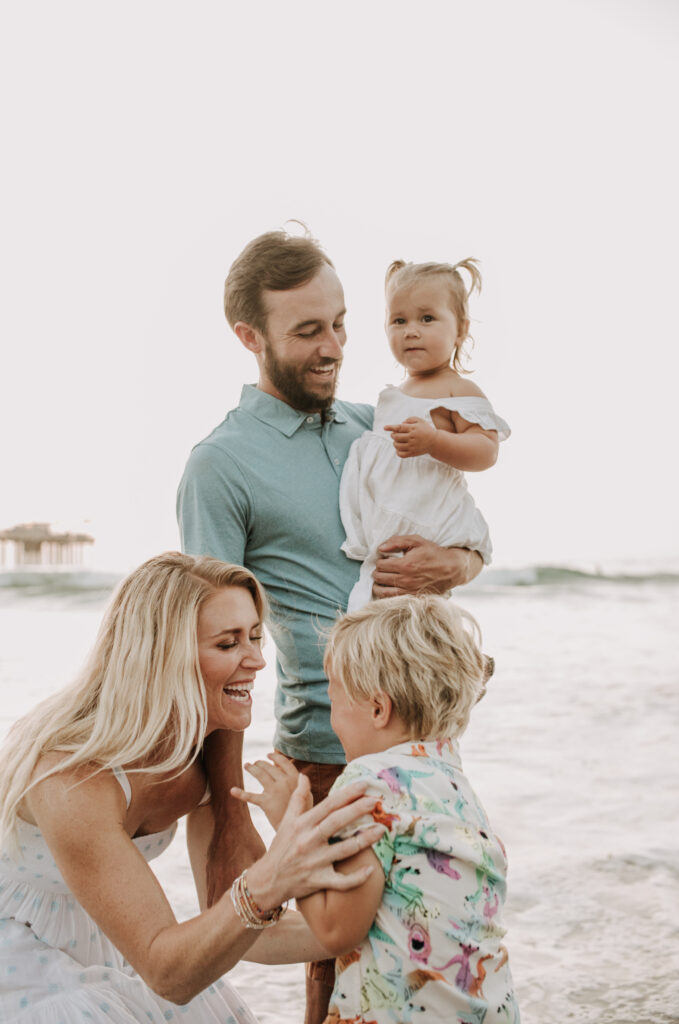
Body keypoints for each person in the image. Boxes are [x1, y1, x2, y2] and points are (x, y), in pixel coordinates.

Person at [176, 227, 484, 1024]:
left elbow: (464, 527)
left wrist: (457, 567)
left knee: (435, 963)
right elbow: (209, 653)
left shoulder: (380, 427)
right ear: (249, 337)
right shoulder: (221, 465)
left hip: (428, 741)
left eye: (341, 323)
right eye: (308, 331)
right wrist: (229, 806)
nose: (335, 347)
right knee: (338, 977)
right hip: (324, 752)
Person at [0, 552, 385, 1023]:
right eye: (228, 644)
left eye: (256, 637)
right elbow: (169, 973)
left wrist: (374, 912)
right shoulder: (72, 779)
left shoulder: (201, 751)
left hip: (113, 940)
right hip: (17, 950)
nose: (259, 661)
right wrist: (275, 874)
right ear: (162, 655)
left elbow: (244, 931)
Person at [234, 595, 519, 1024]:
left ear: (378, 709)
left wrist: (293, 823)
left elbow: (336, 928)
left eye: (335, 703)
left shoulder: (368, 780)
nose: (333, 722)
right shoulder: (456, 786)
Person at [340, 258, 511, 611]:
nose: (410, 331)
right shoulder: (393, 394)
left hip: (427, 521)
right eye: (398, 320)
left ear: (461, 329)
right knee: (385, 605)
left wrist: (434, 442)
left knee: (421, 609)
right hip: (389, 525)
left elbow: (485, 450)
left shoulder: (457, 389)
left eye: (427, 318)